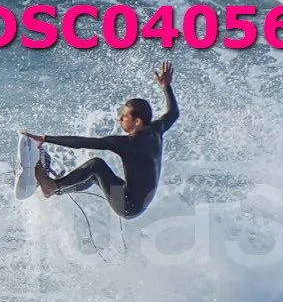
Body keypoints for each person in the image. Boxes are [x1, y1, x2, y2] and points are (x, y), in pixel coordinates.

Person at [24, 62, 177, 219]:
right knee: (94, 177)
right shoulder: (157, 129)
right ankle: (56, 191)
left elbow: (84, 142)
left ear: (137, 122)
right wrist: (166, 87)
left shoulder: (129, 144)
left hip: (127, 205)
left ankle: (52, 186)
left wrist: (46, 138)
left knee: (96, 165)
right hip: (137, 203)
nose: (120, 118)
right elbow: (174, 113)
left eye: (125, 116)